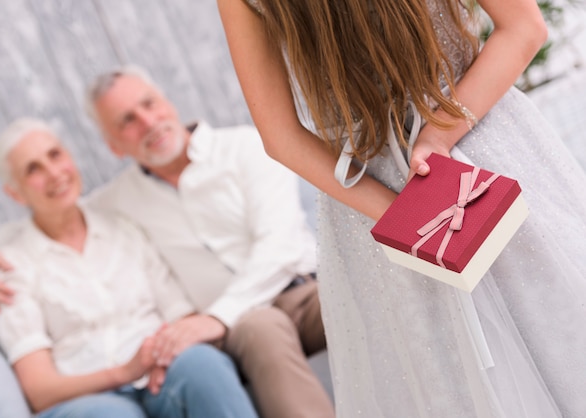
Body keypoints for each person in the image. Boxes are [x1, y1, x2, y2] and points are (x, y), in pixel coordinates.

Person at [217, 0, 586, 417]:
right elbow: (280, 136)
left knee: (553, 336)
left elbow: (524, 28)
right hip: (434, 168)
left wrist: (419, 174)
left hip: (459, 158)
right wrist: (409, 204)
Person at [0, 66, 333, 418]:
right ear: (114, 146)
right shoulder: (118, 202)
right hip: (244, 326)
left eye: (149, 104)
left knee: (373, 285)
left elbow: (280, 246)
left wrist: (214, 319)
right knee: (260, 328)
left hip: (301, 292)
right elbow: (55, 213)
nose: (147, 122)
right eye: (127, 120)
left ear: (168, 103)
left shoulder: (246, 147)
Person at [0, 118, 258, 418]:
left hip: (159, 373)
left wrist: (165, 355)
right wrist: (125, 372)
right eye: (33, 169)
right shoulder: (10, 265)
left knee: (203, 364)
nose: (54, 173)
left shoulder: (124, 227)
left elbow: (182, 316)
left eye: (55, 155)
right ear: (15, 193)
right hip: (87, 398)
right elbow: (41, 391)